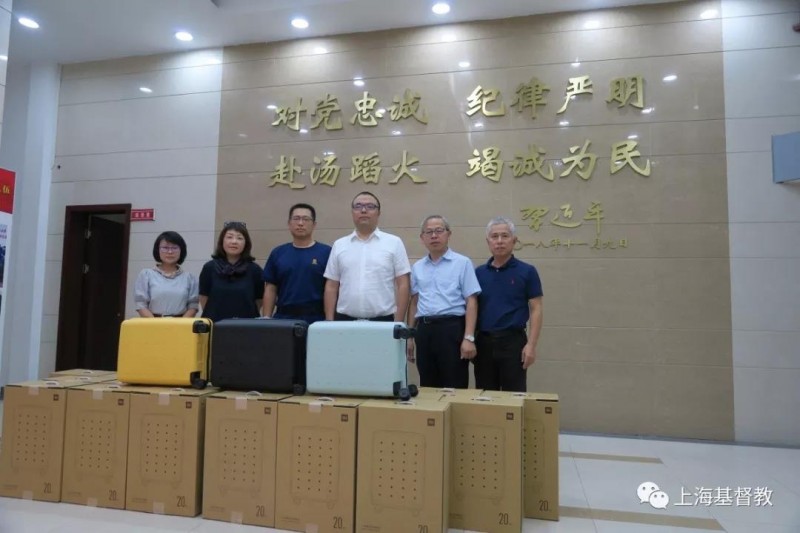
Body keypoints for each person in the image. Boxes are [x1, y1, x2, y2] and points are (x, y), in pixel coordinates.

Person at [406, 215, 481, 388]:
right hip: (424, 331)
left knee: (455, 384)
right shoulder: (417, 267)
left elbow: (471, 301)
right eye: (429, 232)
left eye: (439, 231)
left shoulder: (462, 263)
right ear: (422, 237)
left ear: (449, 234)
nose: (434, 236)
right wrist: (410, 337)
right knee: (427, 383)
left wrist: (468, 337)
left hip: (452, 329)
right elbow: (414, 303)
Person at [474, 216, 543, 392]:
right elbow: (472, 307)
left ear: (514, 240)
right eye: (494, 236)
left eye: (504, 236)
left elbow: (536, 309)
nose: (499, 241)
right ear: (487, 241)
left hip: (513, 343)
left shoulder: (527, 271)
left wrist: (531, 346)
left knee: (514, 396)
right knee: (485, 396)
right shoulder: (478, 273)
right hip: (484, 343)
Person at [324, 191, 411, 321]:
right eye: (358, 206)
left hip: (383, 321)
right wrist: (329, 322)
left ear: (378, 213)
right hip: (344, 321)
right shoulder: (339, 245)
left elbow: (403, 284)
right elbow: (331, 285)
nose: (363, 210)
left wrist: (398, 322)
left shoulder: (394, 243)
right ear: (352, 212)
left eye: (370, 207)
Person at [262, 203, 331, 324]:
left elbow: (331, 288)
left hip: (317, 319)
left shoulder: (327, 252)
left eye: (306, 219)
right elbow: (271, 288)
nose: (300, 223)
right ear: (289, 224)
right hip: (283, 318)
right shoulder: (278, 253)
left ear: (314, 225)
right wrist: (266, 318)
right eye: (296, 219)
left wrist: (329, 320)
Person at [199, 221, 264, 322]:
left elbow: (259, 300)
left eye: (239, 238)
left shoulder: (254, 270)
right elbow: (204, 298)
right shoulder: (209, 268)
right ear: (222, 241)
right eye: (229, 237)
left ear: (246, 243)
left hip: (247, 326)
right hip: (215, 325)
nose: (234, 241)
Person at [134, 231, 199, 318]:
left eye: (175, 248)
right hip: (152, 324)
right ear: (157, 250)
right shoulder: (146, 275)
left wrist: (179, 326)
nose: (170, 252)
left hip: (181, 326)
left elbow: (193, 306)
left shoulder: (189, 278)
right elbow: (141, 304)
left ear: (181, 250)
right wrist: (157, 325)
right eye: (165, 248)